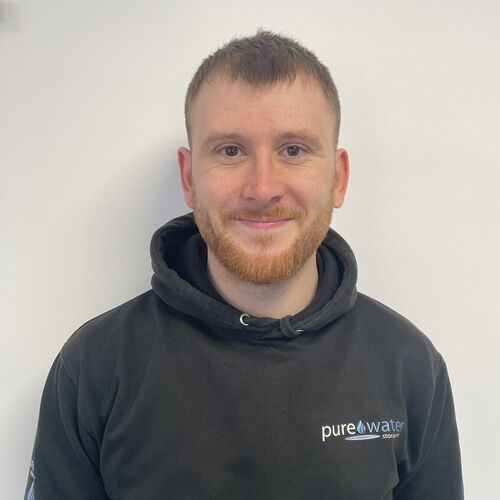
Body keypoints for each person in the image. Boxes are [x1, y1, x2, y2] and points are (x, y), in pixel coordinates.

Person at [25, 30, 463, 499]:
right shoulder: (95, 367)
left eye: (293, 150)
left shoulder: (410, 366)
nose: (262, 188)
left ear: (338, 178)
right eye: (230, 151)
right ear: (189, 178)